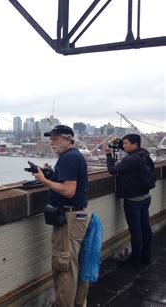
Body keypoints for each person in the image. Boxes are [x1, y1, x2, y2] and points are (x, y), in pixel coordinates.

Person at [32, 125, 91, 307]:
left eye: (56, 139)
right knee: (75, 267)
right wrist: (53, 175)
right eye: (51, 138)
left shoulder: (69, 158)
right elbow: (68, 183)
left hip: (69, 218)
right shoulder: (73, 156)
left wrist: (44, 180)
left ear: (68, 140)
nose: (52, 142)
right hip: (77, 215)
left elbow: (68, 190)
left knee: (64, 267)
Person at [102, 134, 153, 268]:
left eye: (125, 144)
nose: (123, 146)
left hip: (133, 200)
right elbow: (128, 151)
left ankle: (135, 260)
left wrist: (108, 155)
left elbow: (112, 170)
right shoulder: (144, 154)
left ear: (134, 144)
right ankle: (145, 256)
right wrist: (118, 143)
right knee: (145, 227)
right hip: (145, 197)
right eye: (123, 144)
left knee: (136, 230)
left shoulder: (130, 160)